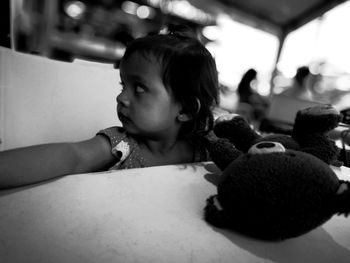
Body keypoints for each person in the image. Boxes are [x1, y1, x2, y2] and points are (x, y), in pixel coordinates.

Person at [0, 25, 219, 189]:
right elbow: (72, 156)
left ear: (186, 110)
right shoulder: (121, 146)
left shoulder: (208, 150)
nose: (121, 97)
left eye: (139, 88)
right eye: (123, 85)